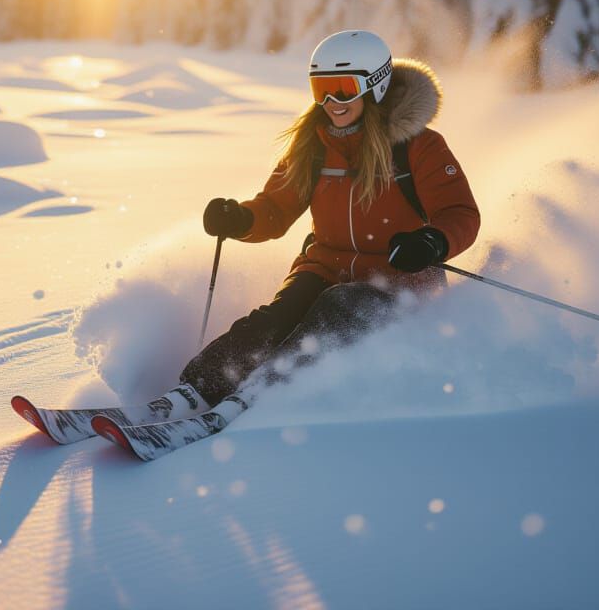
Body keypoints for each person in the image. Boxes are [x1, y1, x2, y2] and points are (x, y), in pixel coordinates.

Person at [173, 29, 481, 409]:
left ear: (376, 86)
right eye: (322, 89)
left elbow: (460, 213)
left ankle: (260, 397)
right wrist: (240, 219)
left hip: (400, 277)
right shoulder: (314, 145)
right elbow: (276, 208)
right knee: (274, 319)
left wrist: (431, 242)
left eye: (344, 88)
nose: (332, 101)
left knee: (334, 311)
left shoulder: (418, 146)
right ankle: (196, 390)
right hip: (324, 266)